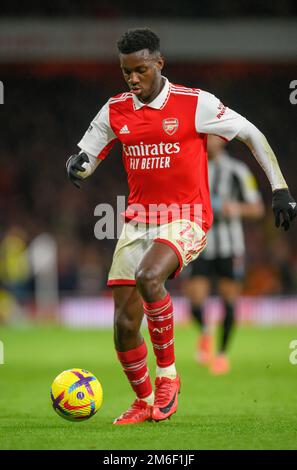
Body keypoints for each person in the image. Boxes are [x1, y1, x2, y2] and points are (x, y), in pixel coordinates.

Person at [66, 28, 296, 425]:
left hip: (187, 217)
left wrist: (280, 188)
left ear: (159, 63)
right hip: (139, 220)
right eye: (126, 72)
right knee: (123, 325)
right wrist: (78, 166)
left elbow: (251, 133)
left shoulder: (196, 104)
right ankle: (143, 402)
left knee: (149, 276)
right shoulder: (115, 109)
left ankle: (168, 377)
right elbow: (88, 153)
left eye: (140, 70)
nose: (133, 79)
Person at [185, 135, 264, 375]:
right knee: (195, 302)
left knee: (229, 302)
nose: (209, 140)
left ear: (223, 140)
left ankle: (221, 355)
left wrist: (235, 208)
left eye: (214, 136)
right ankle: (206, 333)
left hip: (231, 247)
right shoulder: (189, 165)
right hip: (199, 243)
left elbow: (258, 208)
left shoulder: (237, 171)